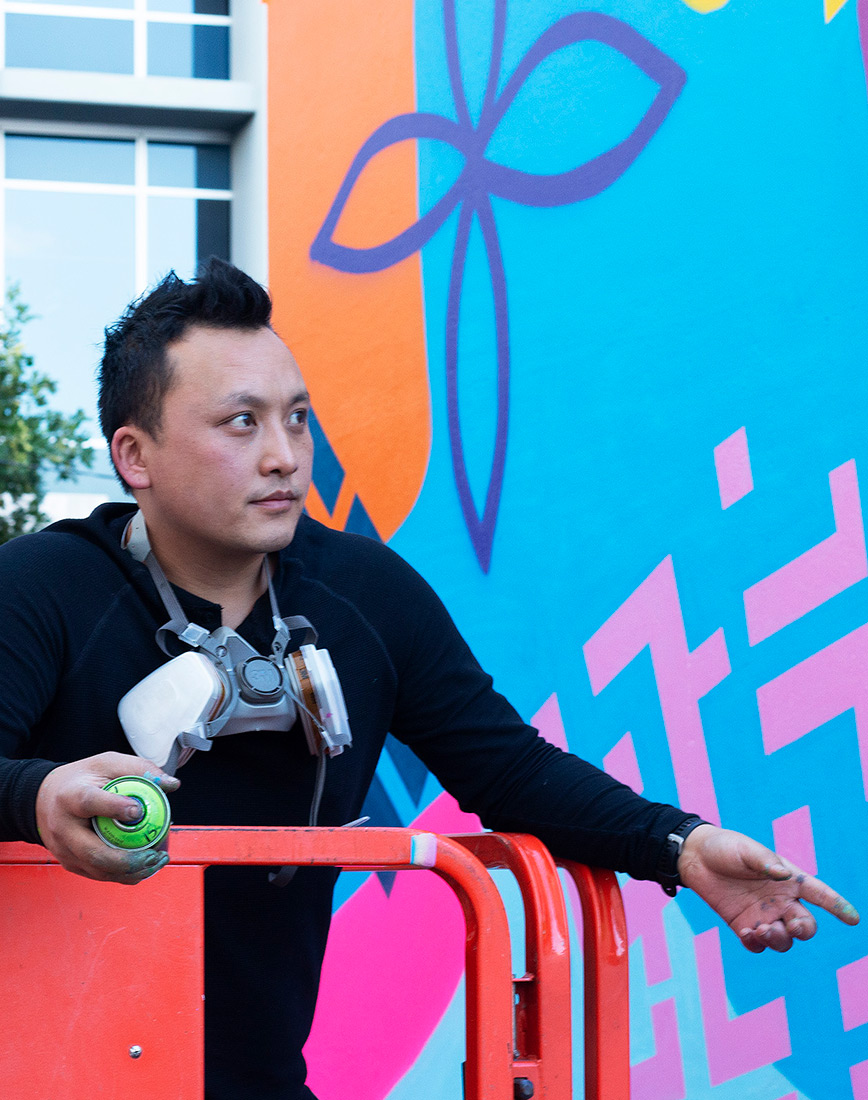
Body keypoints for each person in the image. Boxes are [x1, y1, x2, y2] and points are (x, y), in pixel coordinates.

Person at [0, 259, 857, 1100]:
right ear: (135, 455)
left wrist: (682, 845)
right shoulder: (42, 587)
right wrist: (36, 797)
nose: (285, 456)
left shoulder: (366, 593)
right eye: (241, 423)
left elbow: (508, 769)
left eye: (297, 419)